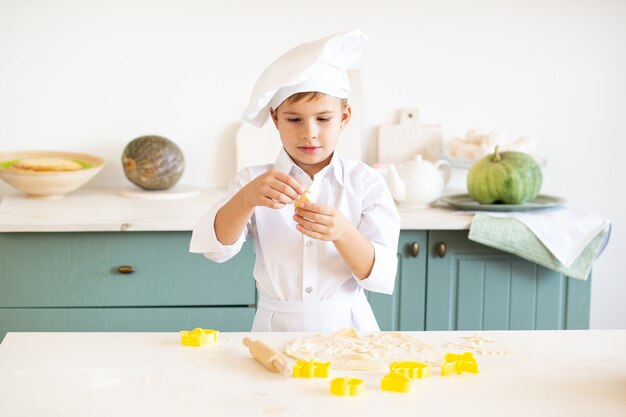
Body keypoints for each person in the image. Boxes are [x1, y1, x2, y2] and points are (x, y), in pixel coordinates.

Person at [190, 29, 400, 332]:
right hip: (274, 329)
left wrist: (342, 232)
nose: (309, 132)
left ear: (344, 117)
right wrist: (246, 199)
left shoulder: (365, 183)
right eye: (294, 119)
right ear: (275, 119)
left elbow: (379, 275)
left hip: (349, 329)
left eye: (323, 119)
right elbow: (216, 250)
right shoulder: (252, 181)